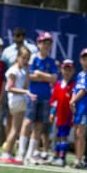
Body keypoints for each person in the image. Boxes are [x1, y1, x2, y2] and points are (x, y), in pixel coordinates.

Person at [20, 31, 58, 164]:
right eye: (44, 43)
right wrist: (45, 77)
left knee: (39, 126)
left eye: (49, 43)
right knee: (27, 122)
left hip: (46, 96)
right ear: (38, 44)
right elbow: (29, 76)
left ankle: (30, 154)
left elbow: (53, 79)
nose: (46, 46)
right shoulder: (33, 58)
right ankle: (21, 153)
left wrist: (40, 74)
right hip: (33, 95)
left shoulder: (51, 61)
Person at [0, 46, 36, 164]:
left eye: (27, 59)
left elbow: (25, 85)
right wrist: (26, 92)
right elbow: (9, 88)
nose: (25, 61)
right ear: (18, 57)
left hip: (19, 101)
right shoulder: (13, 70)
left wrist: (27, 74)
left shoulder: (22, 70)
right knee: (15, 130)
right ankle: (6, 154)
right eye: (23, 58)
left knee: (15, 129)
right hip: (16, 101)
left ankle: (9, 153)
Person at [70, 47, 87, 169]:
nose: (86, 62)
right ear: (80, 60)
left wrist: (73, 100)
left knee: (80, 134)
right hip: (77, 106)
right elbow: (75, 89)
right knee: (76, 134)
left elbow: (84, 90)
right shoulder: (80, 75)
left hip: (84, 106)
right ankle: (78, 158)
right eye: (84, 59)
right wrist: (72, 101)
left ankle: (79, 159)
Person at [49, 59, 76, 167]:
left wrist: (74, 114)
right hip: (59, 115)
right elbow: (54, 100)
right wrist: (52, 112)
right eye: (65, 69)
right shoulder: (58, 84)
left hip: (68, 115)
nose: (67, 72)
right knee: (58, 135)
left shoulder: (74, 85)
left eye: (69, 69)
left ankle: (62, 157)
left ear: (73, 71)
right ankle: (56, 155)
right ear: (61, 70)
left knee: (64, 136)